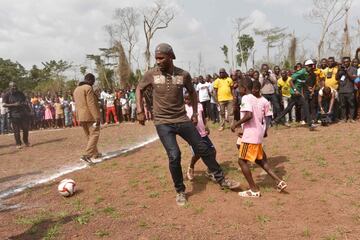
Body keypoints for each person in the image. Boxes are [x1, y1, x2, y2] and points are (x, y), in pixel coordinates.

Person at [136, 43, 240, 206]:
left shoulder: (183, 75)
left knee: (202, 148)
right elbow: (139, 89)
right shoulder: (151, 75)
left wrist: (195, 114)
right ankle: (180, 191)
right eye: (156, 58)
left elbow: (192, 92)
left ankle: (221, 179)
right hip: (163, 122)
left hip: (182, 119)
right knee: (174, 155)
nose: (158, 61)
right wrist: (140, 110)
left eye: (161, 58)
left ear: (170, 56)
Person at [231, 80, 287, 197]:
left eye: (240, 88)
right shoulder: (263, 101)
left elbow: (249, 115)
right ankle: (278, 181)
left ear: (245, 88)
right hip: (256, 134)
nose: (238, 90)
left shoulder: (246, 98)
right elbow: (266, 118)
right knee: (261, 161)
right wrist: (263, 131)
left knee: (241, 161)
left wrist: (236, 124)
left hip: (250, 136)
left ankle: (254, 190)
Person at [273, 60, 317, 130]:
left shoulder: (307, 73)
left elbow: (302, 81)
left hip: (297, 93)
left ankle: (276, 120)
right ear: (306, 66)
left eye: (312, 66)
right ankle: (310, 124)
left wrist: (307, 86)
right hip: (295, 93)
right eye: (310, 66)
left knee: (288, 108)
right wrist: (295, 90)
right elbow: (290, 80)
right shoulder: (302, 71)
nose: (311, 67)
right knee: (305, 106)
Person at [184, 94, 215, 181]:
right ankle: (191, 167)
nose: (187, 101)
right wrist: (192, 120)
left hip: (202, 133)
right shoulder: (184, 108)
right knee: (198, 154)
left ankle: (209, 171)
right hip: (192, 134)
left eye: (188, 99)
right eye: (185, 99)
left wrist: (206, 126)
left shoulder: (199, 105)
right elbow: (185, 122)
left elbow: (203, 117)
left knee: (213, 151)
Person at [73, 73, 102, 164]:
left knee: (89, 135)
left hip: (80, 116)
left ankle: (95, 153)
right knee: (95, 134)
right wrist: (97, 117)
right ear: (91, 80)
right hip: (90, 115)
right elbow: (91, 104)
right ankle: (87, 155)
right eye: (93, 81)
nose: (93, 83)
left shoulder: (76, 89)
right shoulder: (88, 88)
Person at [3, 82, 31, 148]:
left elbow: (25, 101)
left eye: (15, 86)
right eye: (13, 86)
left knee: (26, 129)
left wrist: (28, 109)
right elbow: (4, 104)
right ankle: (18, 144)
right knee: (16, 130)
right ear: (9, 87)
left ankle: (26, 141)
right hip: (14, 115)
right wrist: (14, 104)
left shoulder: (20, 93)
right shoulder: (7, 95)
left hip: (23, 113)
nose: (14, 87)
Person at [337, 57, 357, 122]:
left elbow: (353, 79)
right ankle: (344, 118)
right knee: (342, 105)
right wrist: (338, 70)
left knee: (351, 104)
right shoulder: (341, 69)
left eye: (347, 61)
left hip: (350, 90)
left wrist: (346, 71)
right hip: (342, 90)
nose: (345, 63)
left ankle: (351, 118)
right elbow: (336, 78)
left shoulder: (353, 69)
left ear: (350, 62)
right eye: (344, 62)